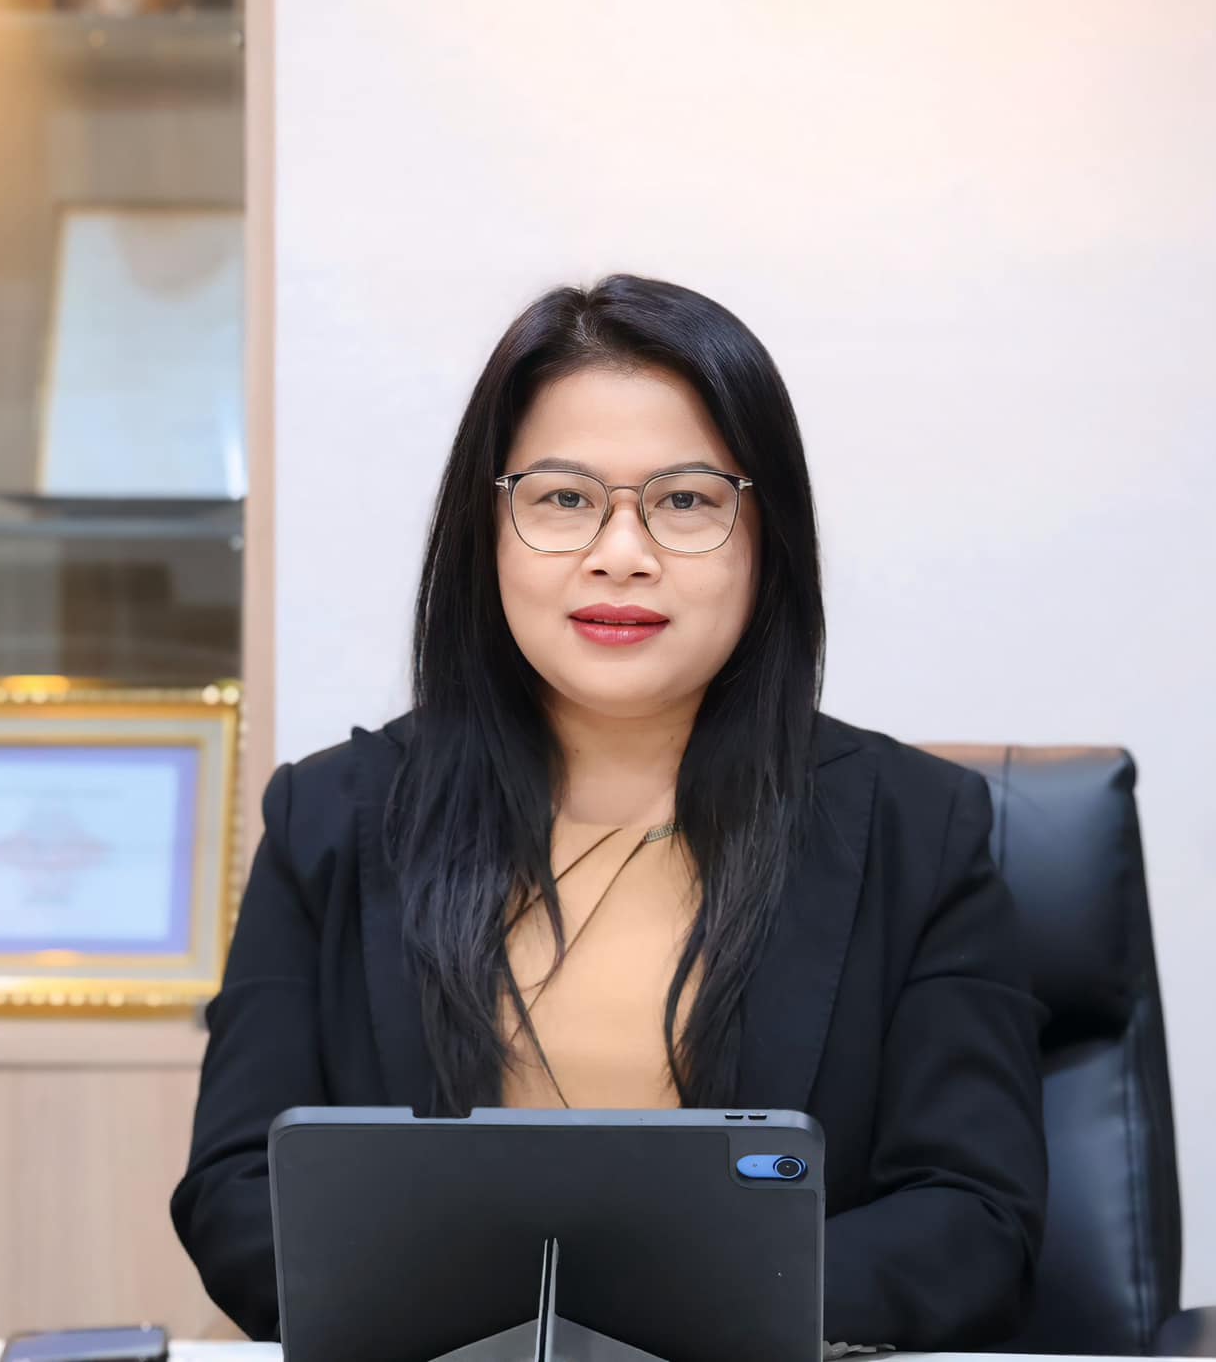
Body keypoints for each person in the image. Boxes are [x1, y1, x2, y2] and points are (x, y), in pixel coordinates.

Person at [170, 275, 1047, 1351]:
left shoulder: (918, 830)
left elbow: (973, 1215)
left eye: (685, 501)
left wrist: (659, 1328)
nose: (619, 552)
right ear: (487, 530)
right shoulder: (332, 818)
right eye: (562, 498)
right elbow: (236, 1189)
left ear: (766, 535)